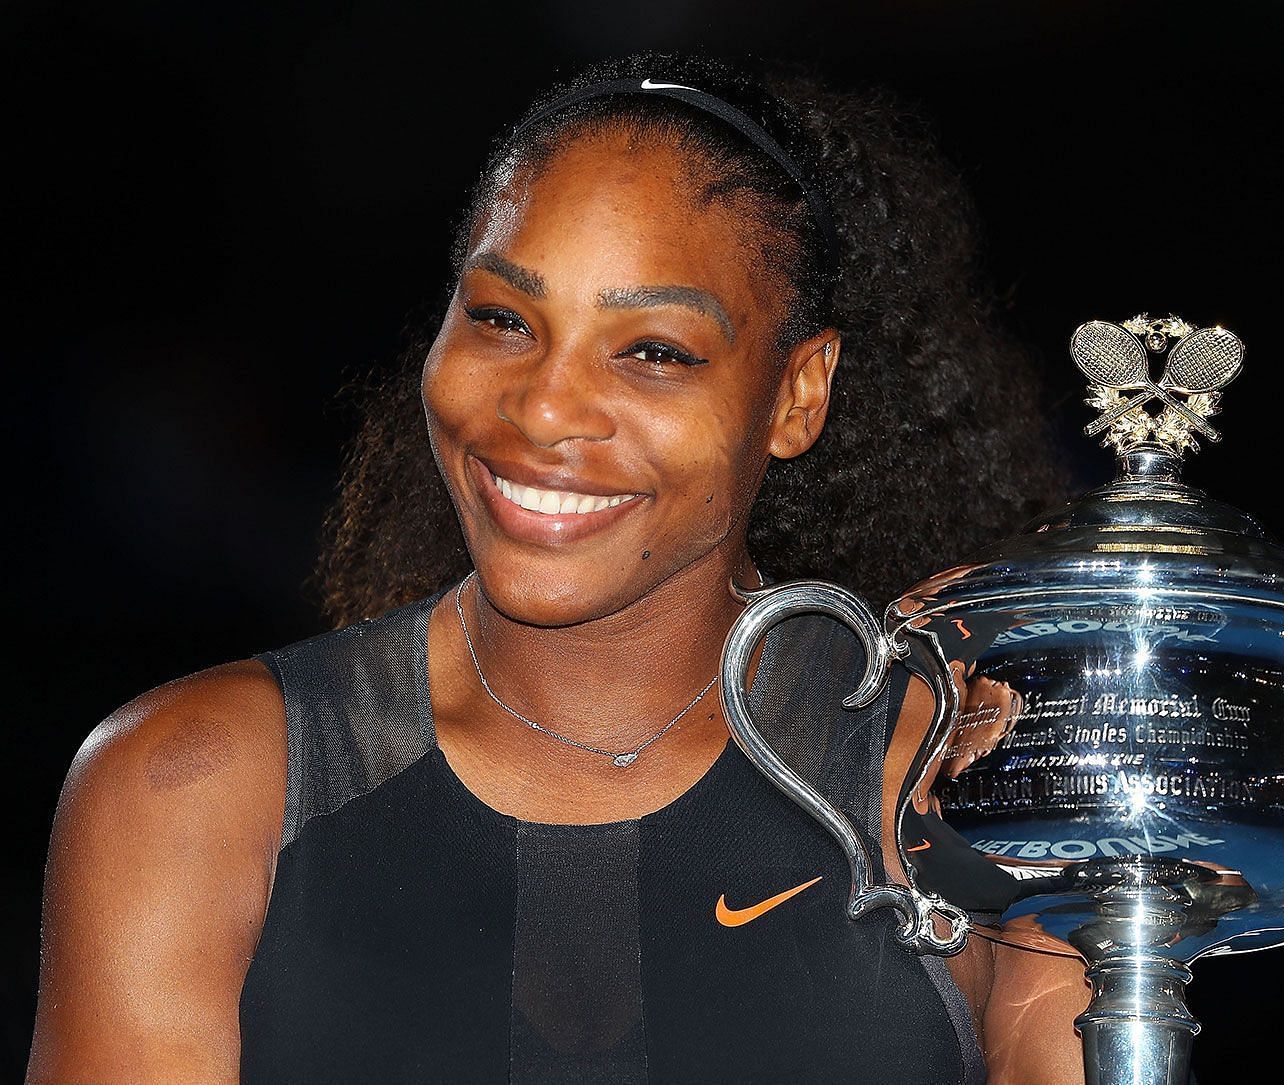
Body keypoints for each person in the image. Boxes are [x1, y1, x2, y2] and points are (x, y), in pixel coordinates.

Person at [27, 52, 1090, 1084]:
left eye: (654, 351)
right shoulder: (193, 785)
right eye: (502, 320)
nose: (541, 407)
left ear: (798, 394)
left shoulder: (959, 779)